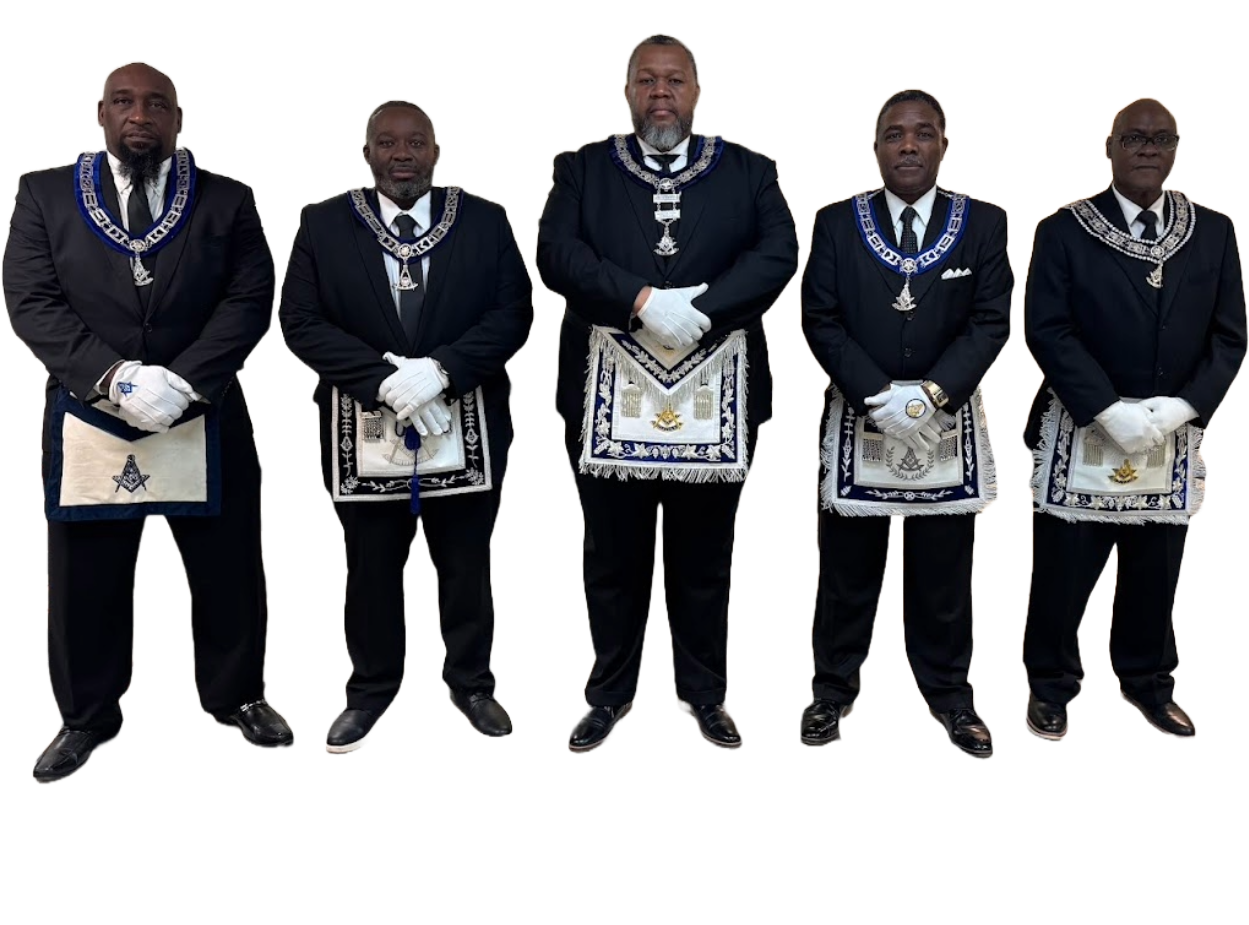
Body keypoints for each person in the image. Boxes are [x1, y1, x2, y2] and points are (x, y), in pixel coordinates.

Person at [4, 61, 291, 785]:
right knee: (85, 579)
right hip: (89, 412)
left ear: (178, 119)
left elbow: (253, 295)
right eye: (125, 102)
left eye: (157, 104)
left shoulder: (229, 198)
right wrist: (115, 376)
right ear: (100, 113)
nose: (141, 114)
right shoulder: (41, 193)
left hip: (205, 411)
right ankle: (85, 717)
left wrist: (186, 380)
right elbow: (30, 298)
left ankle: (239, 696)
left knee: (228, 568)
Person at [536, 33, 798, 753]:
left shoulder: (750, 170)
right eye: (646, 80)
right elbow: (556, 252)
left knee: (705, 558)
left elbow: (780, 252)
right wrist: (643, 299)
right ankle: (609, 693)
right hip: (602, 397)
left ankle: (704, 693)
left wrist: (705, 306)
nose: (660, 93)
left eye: (674, 81)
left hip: (718, 398)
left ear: (696, 92)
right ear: (625, 90)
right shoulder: (581, 168)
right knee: (611, 557)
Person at [278, 99, 533, 753]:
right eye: (386, 143)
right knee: (369, 568)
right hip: (361, 428)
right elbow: (300, 323)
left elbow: (513, 314)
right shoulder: (322, 222)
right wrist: (382, 379)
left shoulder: (485, 219)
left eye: (415, 143)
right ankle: (368, 690)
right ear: (365, 154)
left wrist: (441, 370)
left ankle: (472, 683)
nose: (401, 154)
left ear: (436, 153)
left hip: (466, 419)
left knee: (467, 564)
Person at [1022, 97, 1246, 742]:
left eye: (1161, 139)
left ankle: (1149, 683)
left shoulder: (1215, 230)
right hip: (1080, 424)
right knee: (1064, 574)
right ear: (1110, 147)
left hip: (1171, 434)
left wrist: (1182, 406)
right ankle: (1050, 684)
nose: (1148, 149)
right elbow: (1048, 327)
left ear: (1176, 149)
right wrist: (1105, 408)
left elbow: (1231, 336)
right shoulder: (1062, 229)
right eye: (1134, 138)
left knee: (1156, 572)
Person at [799, 88, 1012, 760]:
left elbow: (991, 317)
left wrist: (931, 394)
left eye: (924, 133)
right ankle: (830, 692)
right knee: (845, 571)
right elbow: (820, 318)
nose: (909, 145)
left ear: (945, 144)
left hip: (944, 424)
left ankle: (951, 697)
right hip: (860, 421)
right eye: (894, 134)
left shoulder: (983, 221)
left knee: (944, 573)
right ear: (875, 147)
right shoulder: (835, 220)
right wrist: (873, 394)